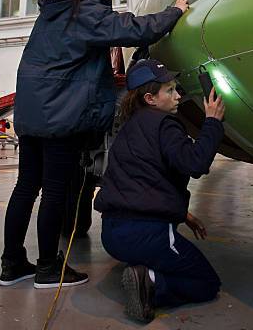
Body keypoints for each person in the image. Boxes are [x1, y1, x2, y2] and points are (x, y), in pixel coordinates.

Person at [0, 0, 190, 289]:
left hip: (31, 114)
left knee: (26, 188)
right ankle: (47, 268)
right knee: (55, 192)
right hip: (59, 118)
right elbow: (134, 29)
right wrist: (175, 11)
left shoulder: (53, 12)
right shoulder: (86, 12)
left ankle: (12, 263)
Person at [94, 58, 226, 322]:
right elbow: (195, 163)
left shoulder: (129, 129)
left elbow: (140, 180)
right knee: (207, 283)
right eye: (170, 90)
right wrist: (212, 122)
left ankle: (143, 269)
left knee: (157, 254)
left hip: (111, 234)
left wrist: (182, 214)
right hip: (145, 234)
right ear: (150, 99)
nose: (178, 96)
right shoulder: (164, 124)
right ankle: (152, 283)